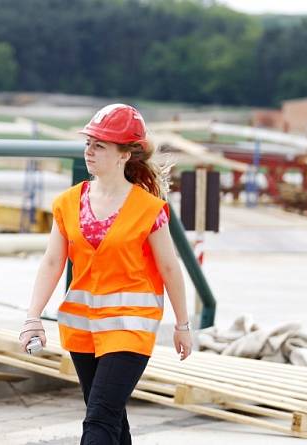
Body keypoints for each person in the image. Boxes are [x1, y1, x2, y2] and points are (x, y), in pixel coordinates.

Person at [19, 104, 192, 444]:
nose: (89, 151)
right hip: (83, 328)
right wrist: (32, 317)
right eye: (89, 143)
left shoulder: (149, 209)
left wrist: (183, 325)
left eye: (100, 145)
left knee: (99, 418)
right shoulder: (68, 203)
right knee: (111, 419)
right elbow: (53, 262)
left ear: (125, 154)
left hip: (130, 326)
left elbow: (170, 267)